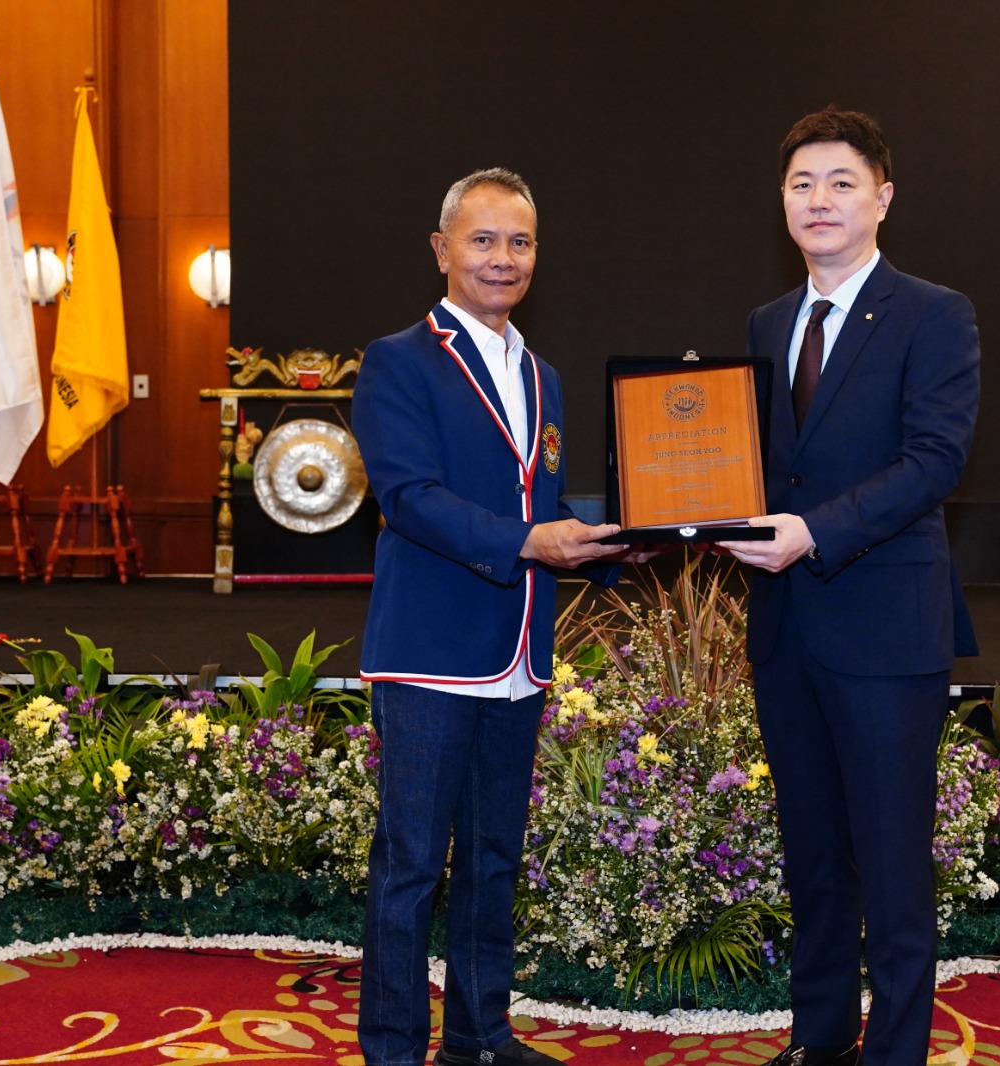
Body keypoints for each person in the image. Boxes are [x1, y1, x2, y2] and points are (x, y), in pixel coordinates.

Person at [718, 107, 981, 1066]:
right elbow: (755, 473)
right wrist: (691, 512)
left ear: (882, 197)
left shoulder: (934, 313)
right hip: (787, 629)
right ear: (781, 204)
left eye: (839, 181)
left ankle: (896, 1053)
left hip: (884, 631)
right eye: (800, 185)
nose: (819, 200)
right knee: (816, 861)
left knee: (893, 868)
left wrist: (813, 533)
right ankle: (819, 1040)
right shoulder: (766, 323)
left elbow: (935, 460)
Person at [350, 168, 623, 1066]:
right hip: (430, 653)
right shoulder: (400, 358)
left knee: (495, 861)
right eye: (483, 239)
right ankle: (393, 1050)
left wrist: (629, 541)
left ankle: (478, 1036)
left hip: (519, 657)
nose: (502, 259)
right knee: (410, 870)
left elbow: (541, 502)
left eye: (520, 242)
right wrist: (530, 543)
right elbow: (409, 498)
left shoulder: (543, 374)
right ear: (441, 250)